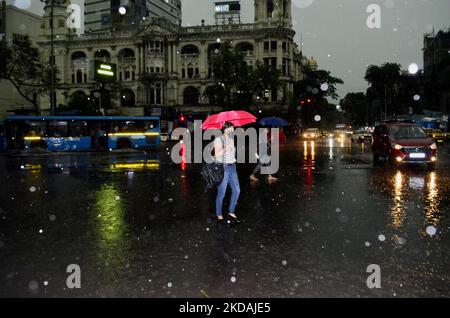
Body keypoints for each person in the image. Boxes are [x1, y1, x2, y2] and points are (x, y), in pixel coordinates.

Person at [214, 122, 241, 226]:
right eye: (232, 128)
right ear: (225, 129)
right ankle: (219, 214)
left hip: (233, 167)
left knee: (237, 191)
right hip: (223, 168)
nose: (233, 130)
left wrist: (231, 145)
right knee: (222, 193)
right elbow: (217, 155)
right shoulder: (218, 139)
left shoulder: (232, 139)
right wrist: (227, 147)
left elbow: (232, 153)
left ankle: (231, 212)